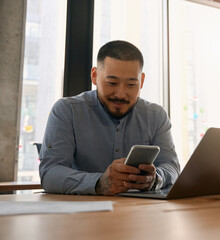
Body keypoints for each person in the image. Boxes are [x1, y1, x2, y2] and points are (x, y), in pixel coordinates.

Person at [39, 40, 180, 195]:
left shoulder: (156, 116)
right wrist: (98, 183)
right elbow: (50, 173)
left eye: (131, 85)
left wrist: (155, 180)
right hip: (81, 213)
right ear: (94, 76)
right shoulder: (67, 111)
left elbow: (171, 166)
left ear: (142, 81)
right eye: (112, 83)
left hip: (139, 211)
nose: (121, 94)